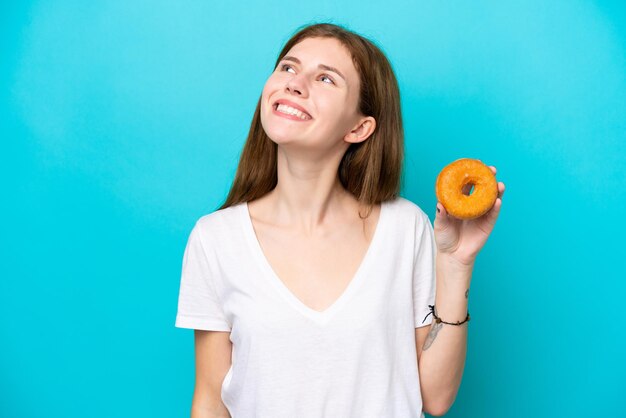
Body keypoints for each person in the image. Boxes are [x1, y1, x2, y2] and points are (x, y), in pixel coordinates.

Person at [175, 22, 505, 418]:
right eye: (288, 67)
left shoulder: (405, 228)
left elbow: (435, 397)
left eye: (326, 78)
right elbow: (210, 402)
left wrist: (456, 263)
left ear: (359, 127)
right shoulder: (216, 239)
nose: (294, 84)